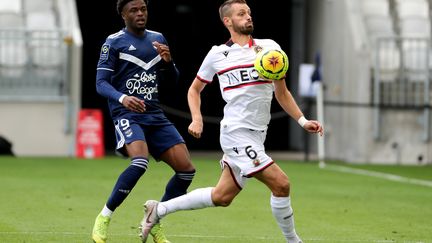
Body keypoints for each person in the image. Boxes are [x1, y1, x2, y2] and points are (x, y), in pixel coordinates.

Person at [139, 0, 324, 242]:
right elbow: (194, 90)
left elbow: (282, 93)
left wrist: (302, 120)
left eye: (248, 12)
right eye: (241, 14)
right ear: (228, 21)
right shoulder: (218, 54)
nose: (248, 17)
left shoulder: (270, 49)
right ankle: (293, 241)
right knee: (281, 184)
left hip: (257, 134)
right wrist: (197, 119)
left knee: (222, 197)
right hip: (236, 133)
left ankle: (159, 209)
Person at [91, 0, 196, 242]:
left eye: (143, 9)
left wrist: (169, 63)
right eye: (134, 10)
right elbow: (100, 84)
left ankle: (155, 219)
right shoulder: (113, 42)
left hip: (154, 114)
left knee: (186, 171)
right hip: (127, 114)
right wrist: (123, 97)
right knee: (140, 162)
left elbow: (173, 83)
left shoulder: (157, 38)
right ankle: (104, 217)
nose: (140, 14)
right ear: (123, 15)